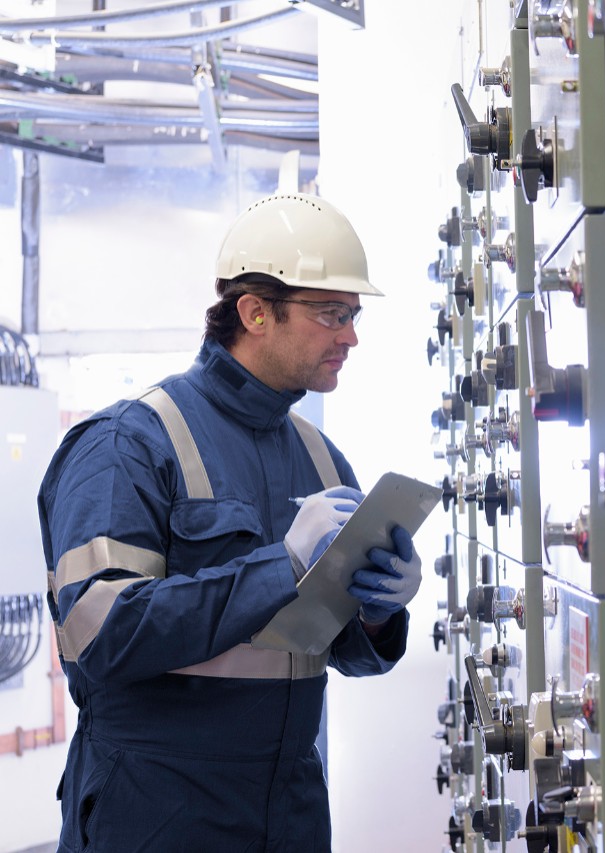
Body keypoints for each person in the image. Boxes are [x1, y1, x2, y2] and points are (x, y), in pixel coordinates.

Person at [38, 193, 422, 852]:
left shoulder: (323, 459)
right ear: (254, 312)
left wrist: (379, 611)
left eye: (353, 315)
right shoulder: (128, 443)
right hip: (158, 813)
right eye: (332, 313)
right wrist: (283, 564)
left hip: (289, 809)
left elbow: (329, 648)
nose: (351, 336)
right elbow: (97, 631)